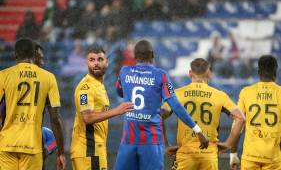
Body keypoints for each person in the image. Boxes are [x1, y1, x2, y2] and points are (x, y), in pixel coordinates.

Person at [114, 40, 209, 170]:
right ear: (152, 55)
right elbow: (175, 106)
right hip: (151, 141)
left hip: (128, 140)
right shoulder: (161, 75)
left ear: (135, 56)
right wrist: (198, 130)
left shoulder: (124, 72)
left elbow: (119, 91)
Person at [162, 58, 245, 170]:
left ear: (190, 73)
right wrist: (228, 144)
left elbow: (159, 116)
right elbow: (240, 118)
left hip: (185, 153)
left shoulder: (177, 94)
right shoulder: (220, 95)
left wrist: (166, 145)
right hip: (209, 153)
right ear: (209, 73)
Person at [0, 38, 65, 170]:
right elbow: (55, 119)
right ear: (33, 54)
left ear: (15, 55)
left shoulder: (3, 75)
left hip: (7, 144)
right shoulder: (48, 77)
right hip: (32, 146)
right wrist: (61, 153)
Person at [70, 45, 133, 170]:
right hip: (89, 150)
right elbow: (87, 117)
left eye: (99, 59)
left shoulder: (99, 85)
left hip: (94, 150)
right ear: (86, 63)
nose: (96, 63)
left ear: (107, 62)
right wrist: (117, 111)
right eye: (92, 60)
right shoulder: (86, 87)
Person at [231, 55, 281, 170]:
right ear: (276, 71)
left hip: (250, 157)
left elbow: (238, 124)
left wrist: (233, 153)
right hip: (274, 158)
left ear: (258, 72)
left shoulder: (246, 92)